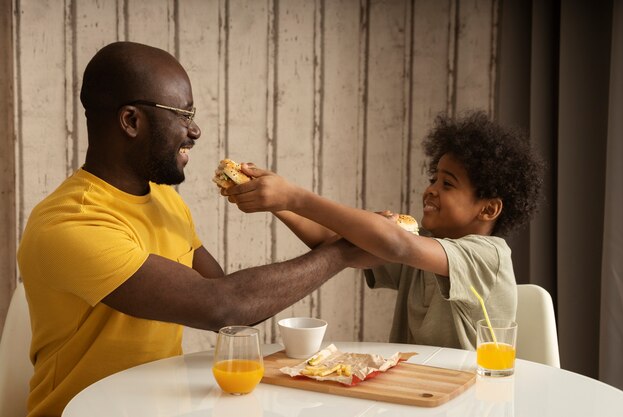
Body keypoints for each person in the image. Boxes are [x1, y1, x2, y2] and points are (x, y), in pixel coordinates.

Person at [16, 41, 377, 417]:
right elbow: (223, 305)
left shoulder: (166, 201)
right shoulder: (70, 222)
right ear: (131, 121)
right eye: (182, 115)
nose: (195, 131)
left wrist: (283, 206)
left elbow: (235, 312)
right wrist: (342, 253)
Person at [223, 110, 543, 351]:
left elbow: (396, 245)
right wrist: (276, 202)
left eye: (447, 184)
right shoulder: (426, 247)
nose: (431, 190)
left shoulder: (488, 256)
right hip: (417, 395)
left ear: (488, 209)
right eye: (433, 178)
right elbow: (331, 241)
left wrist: (296, 196)